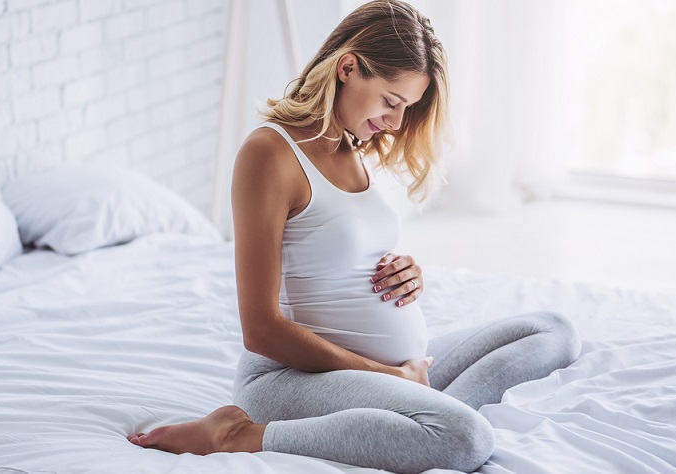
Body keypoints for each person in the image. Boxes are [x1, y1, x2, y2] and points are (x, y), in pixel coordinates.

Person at [127, 1, 581, 472]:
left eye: (406, 108)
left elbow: (339, 253)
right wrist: (387, 375)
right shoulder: (270, 154)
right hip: (291, 378)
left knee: (553, 331)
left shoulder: (351, 145)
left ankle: (412, 408)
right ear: (348, 68)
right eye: (391, 101)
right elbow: (259, 329)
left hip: (386, 371)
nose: (397, 123)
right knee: (464, 438)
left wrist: (408, 273)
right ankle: (239, 435)